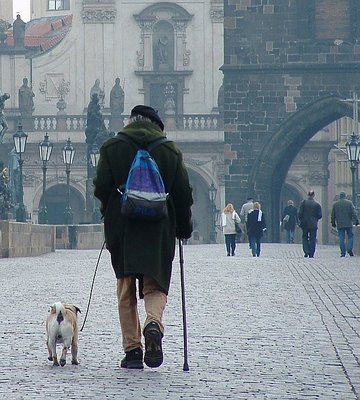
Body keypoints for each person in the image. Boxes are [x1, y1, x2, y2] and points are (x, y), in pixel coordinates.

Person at [93, 105, 193, 370]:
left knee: (125, 287)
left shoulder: (112, 147)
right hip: (159, 227)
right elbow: (183, 194)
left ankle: (133, 351)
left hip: (122, 226)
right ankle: (153, 323)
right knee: (155, 283)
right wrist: (183, 228)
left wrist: (109, 210)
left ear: (131, 121)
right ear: (155, 125)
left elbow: (101, 186)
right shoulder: (169, 150)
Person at [331, 191, 359, 257]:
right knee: (350, 236)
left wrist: (333, 223)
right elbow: (353, 213)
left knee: (341, 238)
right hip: (348, 223)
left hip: (340, 223)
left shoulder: (335, 204)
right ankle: (349, 248)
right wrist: (357, 220)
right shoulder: (349, 203)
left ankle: (343, 253)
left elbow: (333, 215)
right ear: (345, 196)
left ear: (339, 197)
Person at [298, 190, 322, 258]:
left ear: (308, 195)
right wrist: (315, 219)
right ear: (313, 195)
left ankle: (306, 251)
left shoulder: (303, 203)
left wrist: (301, 219)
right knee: (313, 238)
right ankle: (311, 253)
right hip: (313, 224)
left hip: (304, 223)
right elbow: (320, 215)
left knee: (305, 237)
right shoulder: (317, 204)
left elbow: (300, 213)